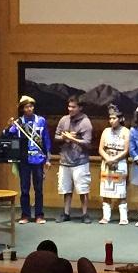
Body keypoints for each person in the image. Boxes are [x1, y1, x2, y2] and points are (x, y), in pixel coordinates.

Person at [3, 95, 52, 224]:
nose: (29, 108)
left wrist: (48, 158)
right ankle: (25, 215)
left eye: (31, 106)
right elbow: (6, 136)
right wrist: (8, 126)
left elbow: (46, 139)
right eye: (26, 107)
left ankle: (39, 215)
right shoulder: (18, 123)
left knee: (39, 189)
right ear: (22, 109)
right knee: (24, 189)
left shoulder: (41, 121)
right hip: (24, 159)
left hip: (38, 159)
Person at [55, 95, 93, 224]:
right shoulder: (63, 120)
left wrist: (73, 139)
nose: (70, 109)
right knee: (66, 189)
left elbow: (88, 143)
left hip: (80, 161)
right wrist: (64, 138)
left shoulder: (86, 122)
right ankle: (66, 213)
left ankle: (85, 214)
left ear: (80, 108)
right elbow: (56, 136)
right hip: (65, 160)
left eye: (73, 107)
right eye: (69, 106)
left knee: (83, 189)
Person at [98, 104, 130, 225]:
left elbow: (126, 150)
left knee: (121, 191)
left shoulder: (126, 132)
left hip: (120, 163)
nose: (111, 120)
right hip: (106, 163)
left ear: (120, 118)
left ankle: (123, 216)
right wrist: (107, 158)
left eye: (114, 118)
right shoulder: (106, 131)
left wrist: (114, 159)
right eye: (110, 118)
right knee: (106, 191)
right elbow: (101, 149)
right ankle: (106, 216)